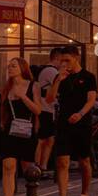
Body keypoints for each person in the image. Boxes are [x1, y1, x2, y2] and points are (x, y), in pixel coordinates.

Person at [47, 44, 97, 196]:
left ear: (76, 58)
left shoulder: (88, 77)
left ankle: (85, 193)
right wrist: (58, 80)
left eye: (67, 60)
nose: (64, 64)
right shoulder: (59, 77)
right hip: (63, 122)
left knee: (84, 160)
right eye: (61, 61)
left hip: (82, 123)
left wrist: (80, 114)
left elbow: (91, 99)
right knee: (62, 160)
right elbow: (49, 98)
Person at [0, 58, 41, 196]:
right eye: (8, 66)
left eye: (13, 66)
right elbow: (3, 110)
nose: (10, 68)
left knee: (27, 168)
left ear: (22, 68)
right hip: (10, 129)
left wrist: (23, 97)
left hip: (27, 130)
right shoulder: (7, 87)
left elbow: (37, 110)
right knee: (8, 165)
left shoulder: (33, 86)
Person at [33, 46, 61, 174]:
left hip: (46, 108)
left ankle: (42, 166)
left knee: (49, 139)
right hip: (45, 109)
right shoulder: (51, 71)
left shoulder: (47, 70)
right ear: (57, 57)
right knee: (43, 139)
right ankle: (38, 166)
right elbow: (60, 88)